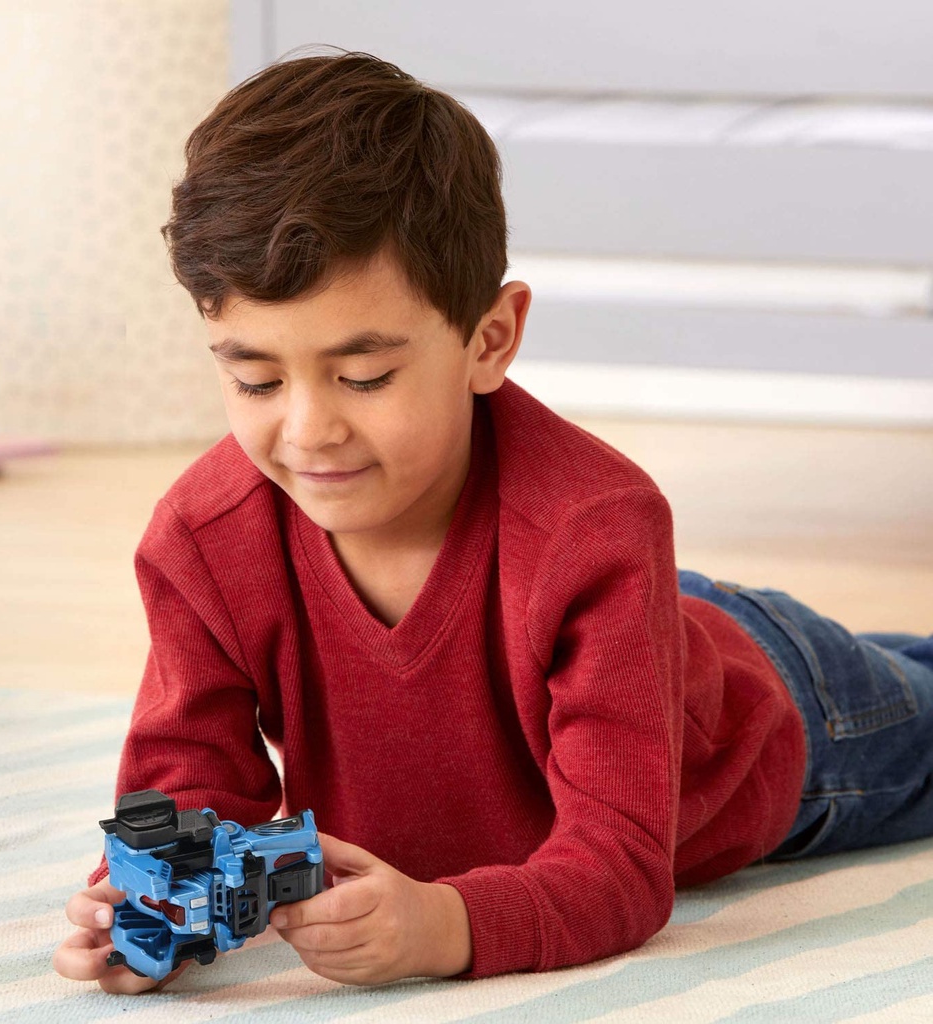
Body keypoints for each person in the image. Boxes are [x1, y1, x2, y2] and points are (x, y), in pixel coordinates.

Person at [52, 50, 933, 994]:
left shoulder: (597, 525)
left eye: (364, 377)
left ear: (491, 340)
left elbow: (621, 869)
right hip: (628, 627)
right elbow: (189, 789)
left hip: (784, 713)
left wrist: (445, 926)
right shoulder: (203, 540)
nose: (308, 431)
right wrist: (141, 914)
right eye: (255, 380)